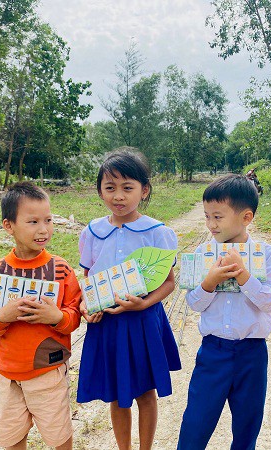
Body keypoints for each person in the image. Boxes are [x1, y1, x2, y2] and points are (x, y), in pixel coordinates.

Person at [76, 149, 181, 450]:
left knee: (145, 393)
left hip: (144, 322)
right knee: (117, 394)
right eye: (110, 188)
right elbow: (88, 278)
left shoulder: (158, 233)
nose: (118, 196)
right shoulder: (92, 232)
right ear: (100, 191)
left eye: (127, 187)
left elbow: (169, 283)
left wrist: (145, 303)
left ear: (144, 190)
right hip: (107, 324)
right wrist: (87, 305)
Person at [177, 174, 271, 450]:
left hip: (252, 354)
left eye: (218, 217)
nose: (211, 225)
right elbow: (194, 303)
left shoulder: (264, 253)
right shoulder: (202, 253)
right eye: (207, 216)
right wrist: (209, 282)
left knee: (247, 425)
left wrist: (246, 277)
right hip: (213, 352)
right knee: (196, 422)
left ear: (246, 217)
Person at [0, 182, 82, 450]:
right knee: (11, 439)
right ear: (8, 226)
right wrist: (3, 316)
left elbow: (74, 318)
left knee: (59, 439)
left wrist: (54, 316)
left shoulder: (61, 270)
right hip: (9, 375)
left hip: (48, 372)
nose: (43, 229)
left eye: (48, 220)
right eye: (33, 221)